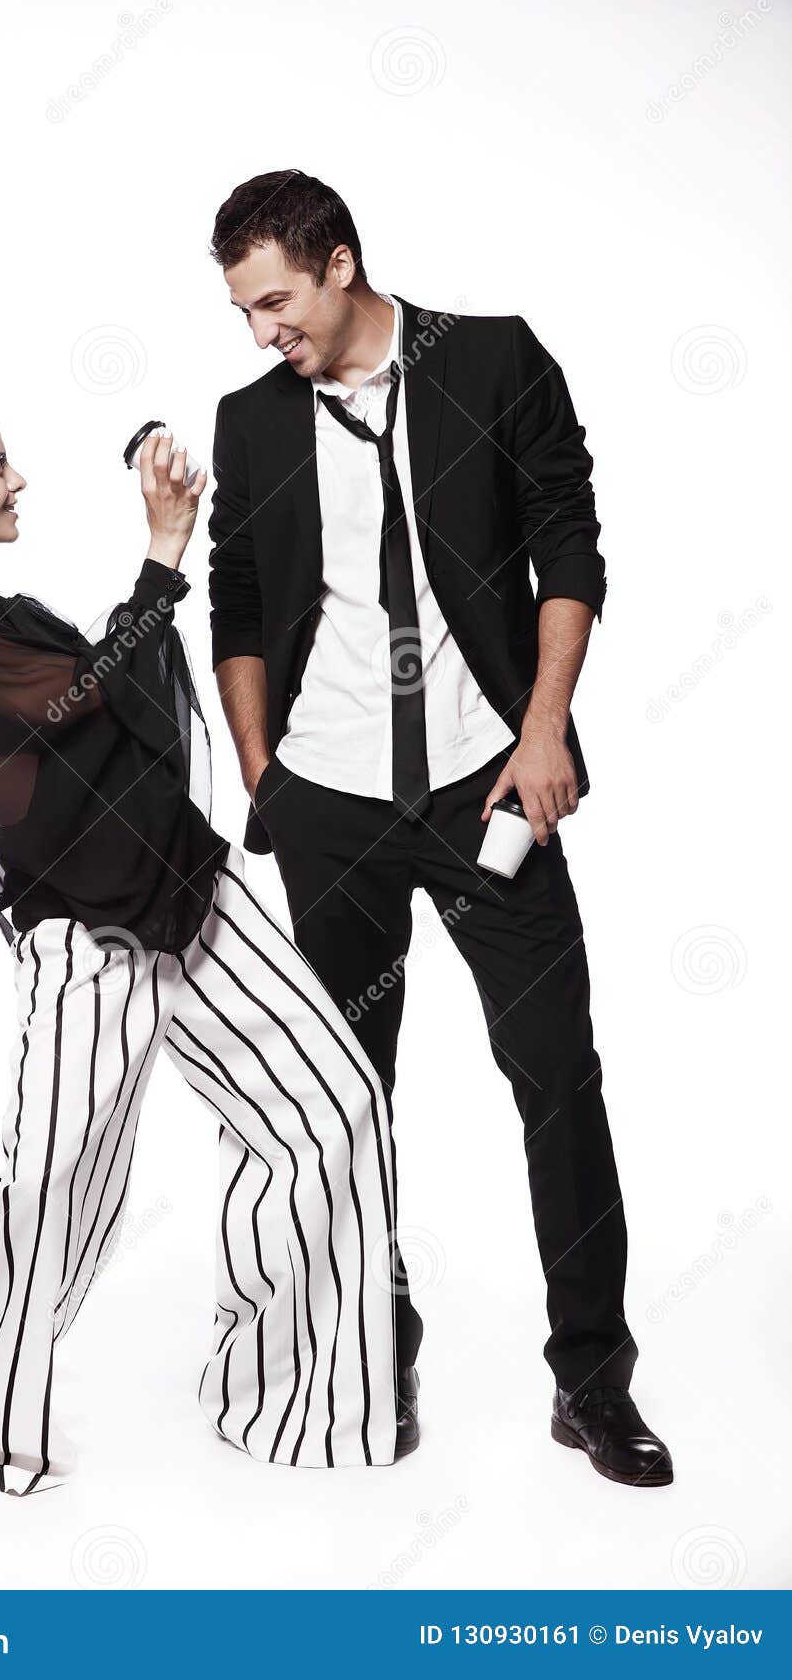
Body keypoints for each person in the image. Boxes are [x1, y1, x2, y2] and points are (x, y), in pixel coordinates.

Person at [206, 170, 673, 1487]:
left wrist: (540, 730)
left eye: (274, 302)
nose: (259, 334)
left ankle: (589, 1383)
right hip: (330, 806)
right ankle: (366, 1358)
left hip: (485, 785)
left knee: (553, 1079)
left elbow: (565, 542)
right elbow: (235, 599)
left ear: (339, 263)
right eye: (242, 312)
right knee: (345, 1102)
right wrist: (260, 766)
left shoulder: (488, 359)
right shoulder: (251, 424)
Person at [0, 380, 407, 1495]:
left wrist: (161, 555)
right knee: (58, 1185)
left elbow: (105, 705)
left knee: (332, 1102)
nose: (16, 480)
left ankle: (293, 1401)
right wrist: (163, 551)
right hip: (88, 938)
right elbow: (88, 705)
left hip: (185, 889)